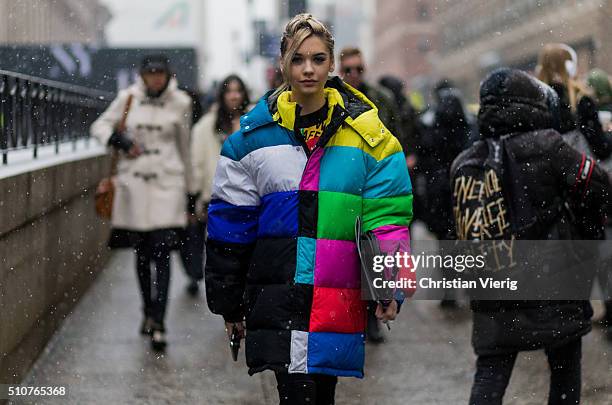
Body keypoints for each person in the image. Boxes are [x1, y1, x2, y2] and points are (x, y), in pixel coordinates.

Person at [204, 14, 413, 405]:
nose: (308, 69)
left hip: (336, 298)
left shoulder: (371, 138)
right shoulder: (249, 140)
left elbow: (387, 219)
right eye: (298, 59)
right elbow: (229, 228)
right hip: (279, 297)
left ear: (331, 63)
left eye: (318, 59)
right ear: (283, 62)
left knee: (322, 395)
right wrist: (227, 301)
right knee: (297, 395)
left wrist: (391, 282)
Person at [451, 68, 610, 405]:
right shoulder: (549, 145)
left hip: (494, 284)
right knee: (564, 370)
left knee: (490, 375)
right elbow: (599, 187)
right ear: (533, 105)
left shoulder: (466, 161)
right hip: (554, 282)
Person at [91, 55, 197, 351]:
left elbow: (184, 146)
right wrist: (118, 140)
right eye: (150, 74)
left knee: (162, 252)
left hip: (167, 182)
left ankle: (160, 321)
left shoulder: (181, 102)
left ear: (168, 74)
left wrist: (191, 190)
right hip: (134, 184)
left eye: (160, 74)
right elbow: (98, 126)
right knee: (141, 252)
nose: (156, 79)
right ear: (142, 75)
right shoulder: (127, 98)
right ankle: (148, 310)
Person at [190, 74, 251, 296]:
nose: (234, 96)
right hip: (216, 197)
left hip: (249, 197)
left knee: (245, 251)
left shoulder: (254, 120)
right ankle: (228, 300)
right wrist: (196, 195)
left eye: (238, 91)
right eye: (229, 91)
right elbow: (196, 161)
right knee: (222, 253)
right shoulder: (207, 125)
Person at [536, 43, 612, 161]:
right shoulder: (580, 101)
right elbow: (602, 149)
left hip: (554, 175)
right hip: (583, 172)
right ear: (569, 67)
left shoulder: (537, 102)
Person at [338, 47, 401, 143]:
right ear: (341, 71)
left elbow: (395, 133)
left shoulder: (382, 97)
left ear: (364, 69)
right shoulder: (332, 99)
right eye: (348, 70)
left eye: (359, 69)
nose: (354, 74)